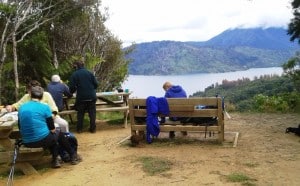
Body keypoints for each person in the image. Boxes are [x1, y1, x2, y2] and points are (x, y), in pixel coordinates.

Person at [18, 86, 79, 168]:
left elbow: (20, 125)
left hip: (26, 141)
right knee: (58, 134)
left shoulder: (22, 107)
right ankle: (72, 155)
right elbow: (52, 127)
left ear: (30, 96)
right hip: (41, 140)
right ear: (42, 96)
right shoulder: (44, 107)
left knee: (52, 138)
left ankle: (56, 160)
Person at [6, 80, 70, 133]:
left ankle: (67, 138)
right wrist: (10, 107)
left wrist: (52, 116)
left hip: (50, 118)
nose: (30, 93)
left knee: (63, 124)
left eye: (32, 91)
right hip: (35, 121)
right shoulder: (26, 97)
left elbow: (54, 109)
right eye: (29, 91)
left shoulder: (47, 95)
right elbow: (17, 105)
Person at [69, 60, 98, 133]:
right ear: (83, 65)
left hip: (81, 97)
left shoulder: (74, 74)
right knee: (92, 113)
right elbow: (96, 84)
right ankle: (93, 129)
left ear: (76, 66)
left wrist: (72, 92)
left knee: (80, 113)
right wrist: (91, 89)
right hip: (91, 96)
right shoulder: (90, 73)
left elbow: (72, 87)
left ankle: (79, 129)